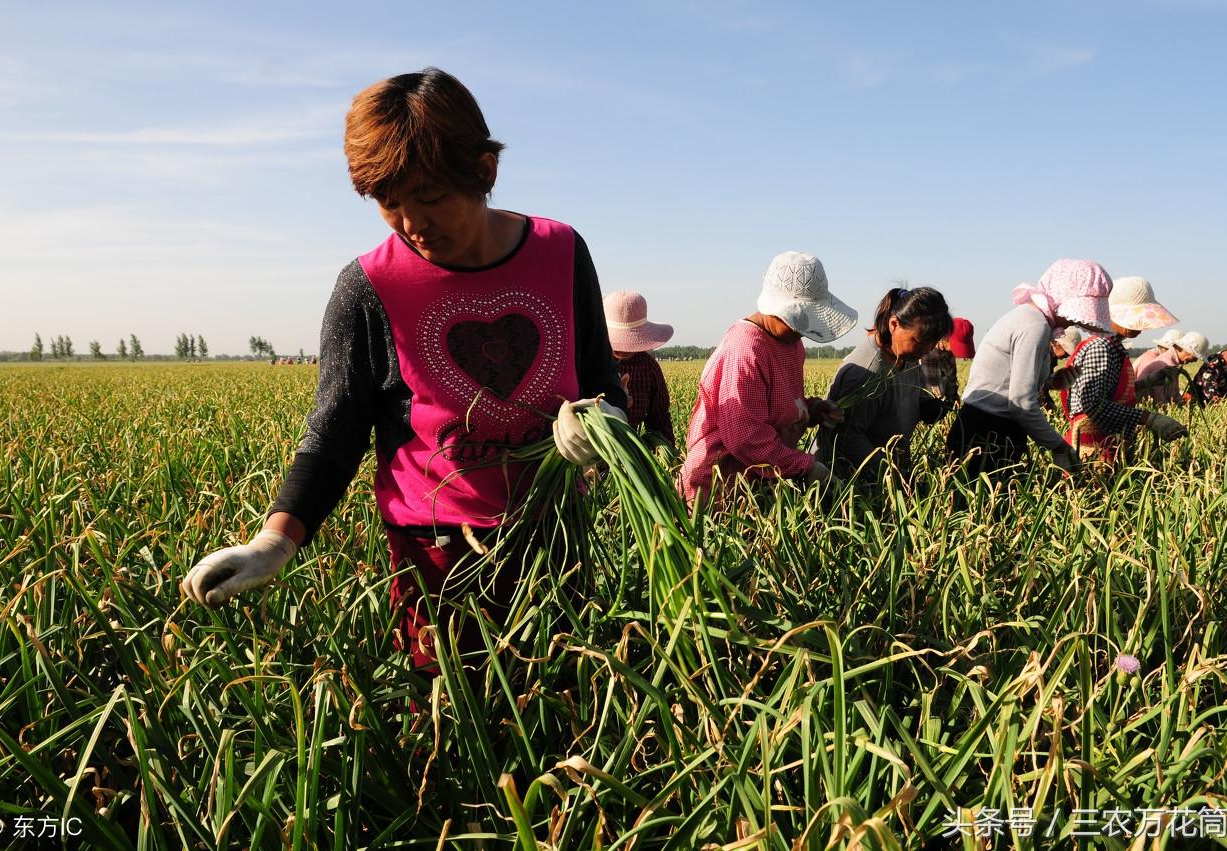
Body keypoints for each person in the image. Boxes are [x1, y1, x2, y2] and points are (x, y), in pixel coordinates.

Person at [181, 69, 628, 679]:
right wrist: (275, 540)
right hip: (434, 549)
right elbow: (335, 432)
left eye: (430, 196)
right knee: (446, 715)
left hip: (555, 535)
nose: (413, 222)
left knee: (558, 696)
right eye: (389, 202)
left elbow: (606, 382)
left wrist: (602, 425)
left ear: (484, 171)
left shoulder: (561, 251)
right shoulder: (369, 285)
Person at [680, 251, 855, 504]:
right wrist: (806, 466)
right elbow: (746, 437)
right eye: (796, 322)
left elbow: (777, 405)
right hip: (719, 494)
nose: (801, 332)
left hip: (761, 484)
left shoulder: (791, 343)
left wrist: (811, 409)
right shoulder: (746, 350)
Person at [948, 258, 1114, 478]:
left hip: (982, 426)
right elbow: (1021, 404)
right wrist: (1059, 446)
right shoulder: (1034, 326)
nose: (1074, 323)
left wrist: (1050, 382)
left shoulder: (1029, 319)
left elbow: (1006, 380)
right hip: (988, 434)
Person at [816, 287, 953, 478]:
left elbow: (894, 403)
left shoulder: (908, 357)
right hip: (852, 482)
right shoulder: (866, 372)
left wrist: (924, 405)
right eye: (920, 341)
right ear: (894, 324)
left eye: (933, 342)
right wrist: (892, 475)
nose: (928, 350)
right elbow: (847, 439)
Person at [1060, 276, 1187, 465]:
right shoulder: (1101, 347)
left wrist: (1148, 382)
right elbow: (1093, 405)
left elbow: (1110, 394)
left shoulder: (1112, 347)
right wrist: (1149, 418)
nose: (1140, 327)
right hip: (1093, 451)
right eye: (1135, 318)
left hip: (1107, 444)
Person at [603, 290, 675, 449]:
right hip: (589, 457)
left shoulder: (648, 367)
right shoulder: (589, 362)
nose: (622, 350)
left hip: (631, 455)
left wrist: (667, 452)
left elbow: (659, 417)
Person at [919, 316, 973, 422]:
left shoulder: (948, 353)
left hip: (939, 406)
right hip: (926, 407)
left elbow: (951, 377)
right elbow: (933, 391)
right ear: (945, 338)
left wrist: (953, 396)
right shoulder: (929, 352)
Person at [1135, 330, 1207, 405]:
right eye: (1194, 356)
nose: (1195, 360)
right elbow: (1161, 401)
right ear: (1183, 349)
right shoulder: (1166, 365)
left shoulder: (1170, 362)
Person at [1185, 336, 1227, 406]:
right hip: (1199, 401)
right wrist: (1220, 404)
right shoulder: (1214, 362)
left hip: (1220, 402)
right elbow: (1209, 386)